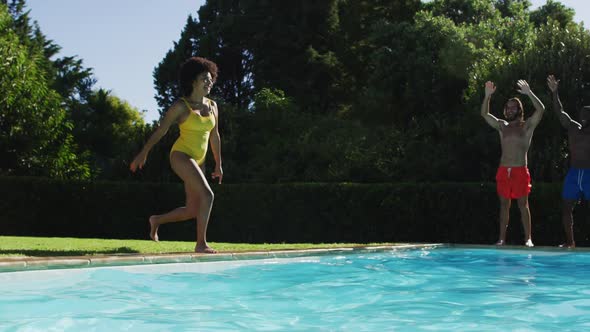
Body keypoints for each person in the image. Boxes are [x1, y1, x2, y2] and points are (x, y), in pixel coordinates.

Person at [130, 57, 222, 253]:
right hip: (181, 155)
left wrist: (218, 164)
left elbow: (215, 136)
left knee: (192, 210)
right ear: (192, 81)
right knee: (208, 195)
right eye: (204, 79)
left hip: (200, 160)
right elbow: (161, 131)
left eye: (210, 78)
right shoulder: (181, 106)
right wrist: (143, 153)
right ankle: (201, 244)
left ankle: (156, 220)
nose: (209, 82)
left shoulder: (213, 106)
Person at [481, 80, 545, 247]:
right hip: (504, 170)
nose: (509, 110)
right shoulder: (503, 125)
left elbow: (541, 110)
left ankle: (528, 238)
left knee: (523, 205)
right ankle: (501, 239)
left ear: (519, 110)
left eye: (513, 108)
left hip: (520, 170)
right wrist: (487, 96)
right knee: (504, 205)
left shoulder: (526, 126)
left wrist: (529, 92)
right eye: (507, 108)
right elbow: (485, 115)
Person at [547, 75, 590, 248]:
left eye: (587, 114)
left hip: (589, 174)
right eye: (582, 114)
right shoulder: (573, 127)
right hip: (574, 174)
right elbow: (559, 111)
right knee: (566, 208)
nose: (583, 116)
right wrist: (555, 92)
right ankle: (570, 242)